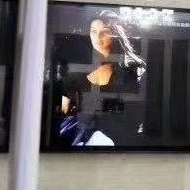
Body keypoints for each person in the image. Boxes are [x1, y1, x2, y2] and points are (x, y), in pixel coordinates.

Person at [53, 10, 147, 147]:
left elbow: (137, 120)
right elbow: (64, 116)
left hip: (120, 148)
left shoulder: (134, 70)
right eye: (93, 31)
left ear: (115, 33)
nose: (97, 37)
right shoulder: (77, 71)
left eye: (104, 32)